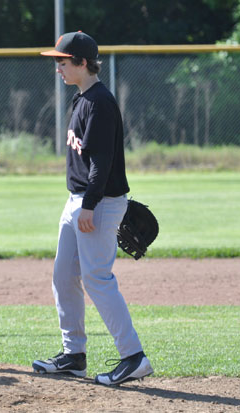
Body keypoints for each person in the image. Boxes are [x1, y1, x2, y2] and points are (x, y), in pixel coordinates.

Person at [31, 31, 153, 386]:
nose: (57, 68)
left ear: (83, 63)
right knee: (63, 276)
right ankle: (74, 355)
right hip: (78, 201)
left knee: (97, 278)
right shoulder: (81, 99)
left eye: (62, 62)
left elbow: (101, 162)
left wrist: (89, 205)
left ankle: (134, 357)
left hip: (96, 203)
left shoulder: (100, 102)